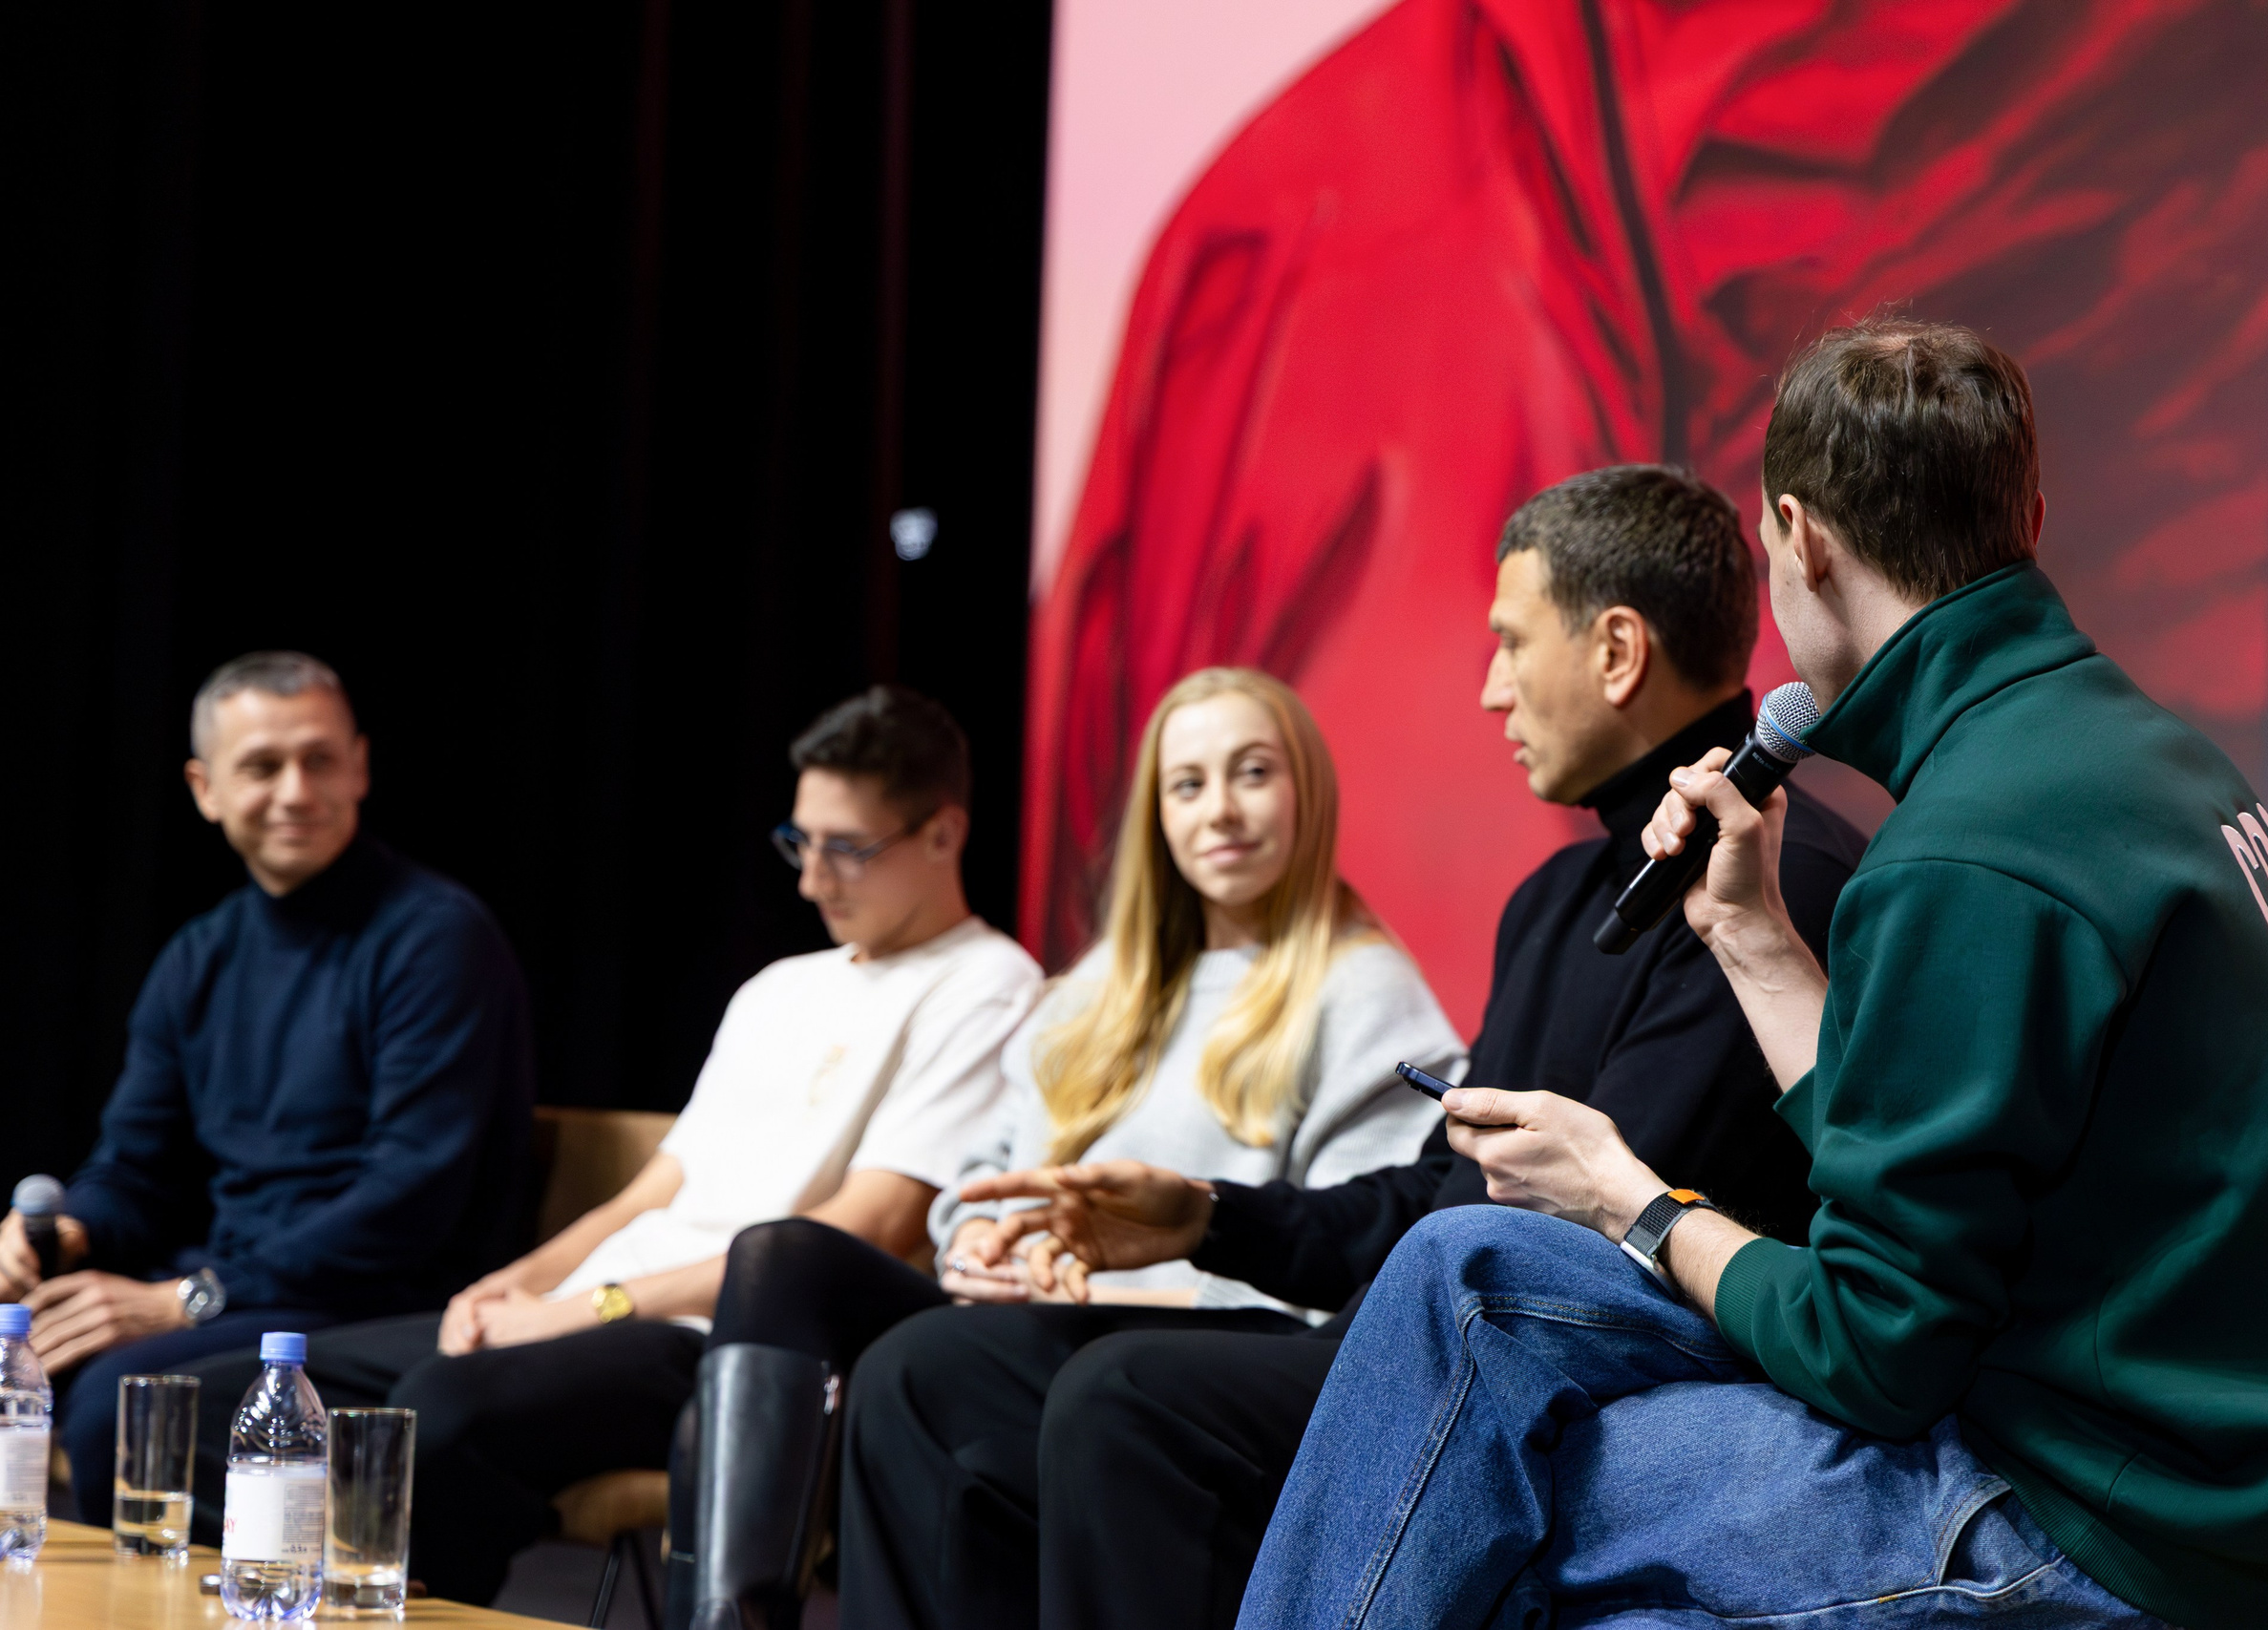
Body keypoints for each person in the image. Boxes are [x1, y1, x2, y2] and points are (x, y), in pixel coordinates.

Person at [1237, 319, 2268, 1630]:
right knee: (1472, 1288)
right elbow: (1932, 1172)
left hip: (2091, 1519)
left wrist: (1629, 1196)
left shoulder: (1974, 850)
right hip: (2184, 1474)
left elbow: (1872, 1347)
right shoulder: (2126, 762)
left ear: (1802, 537)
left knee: (1489, 1430)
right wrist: (1748, 934)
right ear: (2027, 514)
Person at [835, 467, 1869, 1630]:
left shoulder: (1773, 887)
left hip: (1557, 1356)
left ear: (1617, 652)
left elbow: (1575, 1247)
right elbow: (1442, 1194)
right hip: (1453, 1315)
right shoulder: (1554, 899)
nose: (1490, 692)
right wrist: (1204, 1218)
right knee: (921, 1373)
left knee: (1126, 1398)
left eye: (1509, 645)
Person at [182, 684, 1043, 1607]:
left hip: (722, 1343)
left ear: (945, 834)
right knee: (216, 1401)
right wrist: (522, 1283)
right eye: (801, 842)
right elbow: (652, 1191)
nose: (811, 878)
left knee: (442, 1412)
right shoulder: (780, 985)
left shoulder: (988, 986)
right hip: (603, 1306)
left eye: (848, 848)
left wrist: (584, 1309)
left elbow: (861, 1229)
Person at [667, 667, 1461, 1630]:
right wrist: (980, 1244)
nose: (1219, 810)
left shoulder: (1363, 990)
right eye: (1187, 784)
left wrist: (1131, 1275)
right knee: (784, 1257)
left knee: (914, 1369)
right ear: (1156, 815)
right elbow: (978, 1179)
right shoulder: (1097, 988)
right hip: (1040, 1319)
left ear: (1305, 792)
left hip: (1203, 1343)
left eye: (1251, 773)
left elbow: (1352, 1262)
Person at [0, 651, 534, 1526]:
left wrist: (185, 1299)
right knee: (42, 1366)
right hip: (241, 1291)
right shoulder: (198, 957)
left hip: (379, 1303)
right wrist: (66, 1232)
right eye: (261, 766)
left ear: (360, 766)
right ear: (205, 788)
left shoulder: (436, 939)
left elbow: (406, 1203)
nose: (295, 790)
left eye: (319, 759)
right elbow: (135, 1166)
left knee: (126, 1408)